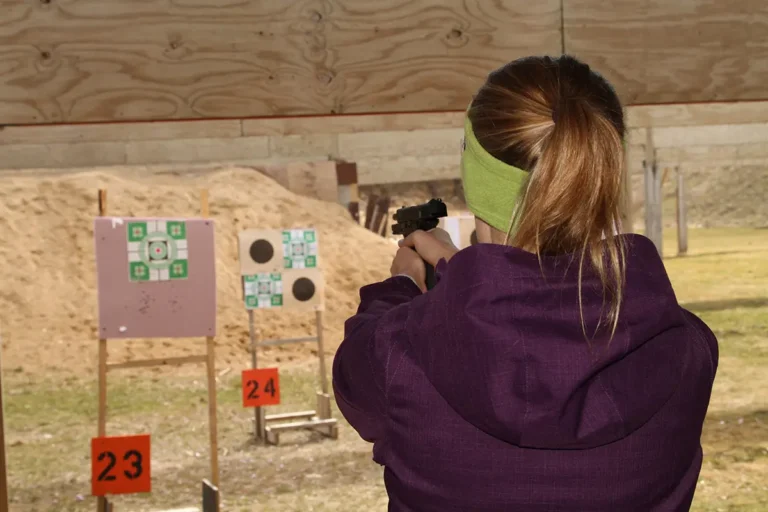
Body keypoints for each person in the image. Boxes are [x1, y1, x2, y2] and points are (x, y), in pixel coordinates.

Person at [332, 55, 718, 512]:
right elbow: (548, 323)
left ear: (478, 180)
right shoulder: (688, 349)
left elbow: (355, 373)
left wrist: (402, 284)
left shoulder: (397, 353)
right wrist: (462, 278)